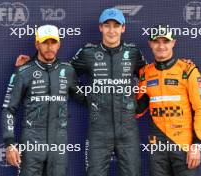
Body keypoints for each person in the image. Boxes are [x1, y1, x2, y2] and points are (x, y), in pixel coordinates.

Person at [15, 8, 146, 176]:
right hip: (99, 130)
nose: (111, 30)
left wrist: (140, 106)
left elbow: (150, 76)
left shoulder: (133, 52)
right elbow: (60, 72)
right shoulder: (88, 53)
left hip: (128, 129)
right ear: (100, 27)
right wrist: (31, 64)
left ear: (123, 28)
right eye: (107, 25)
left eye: (116, 26)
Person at [2, 24, 84, 176]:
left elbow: (83, 98)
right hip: (32, 142)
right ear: (37, 44)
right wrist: (10, 144)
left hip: (58, 143)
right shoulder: (23, 72)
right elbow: (9, 109)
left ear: (58, 44)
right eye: (45, 42)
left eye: (53, 42)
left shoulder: (67, 71)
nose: (49, 47)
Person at [136, 27, 201, 176]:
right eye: (156, 41)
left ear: (173, 43)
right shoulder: (145, 73)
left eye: (165, 41)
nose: (161, 46)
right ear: (150, 44)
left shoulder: (188, 70)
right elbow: (139, 109)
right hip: (157, 146)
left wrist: (196, 145)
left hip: (183, 144)